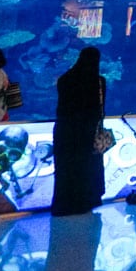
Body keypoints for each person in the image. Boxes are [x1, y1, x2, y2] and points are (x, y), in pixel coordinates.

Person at [51, 46, 108, 216]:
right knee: (87, 167)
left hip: (65, 131)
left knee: (65, 168)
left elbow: (62, 107)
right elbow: (100, 109)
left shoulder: (65, 79)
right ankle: (85, 201)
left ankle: (64, 203)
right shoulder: (99, 81)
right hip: (88, 132)